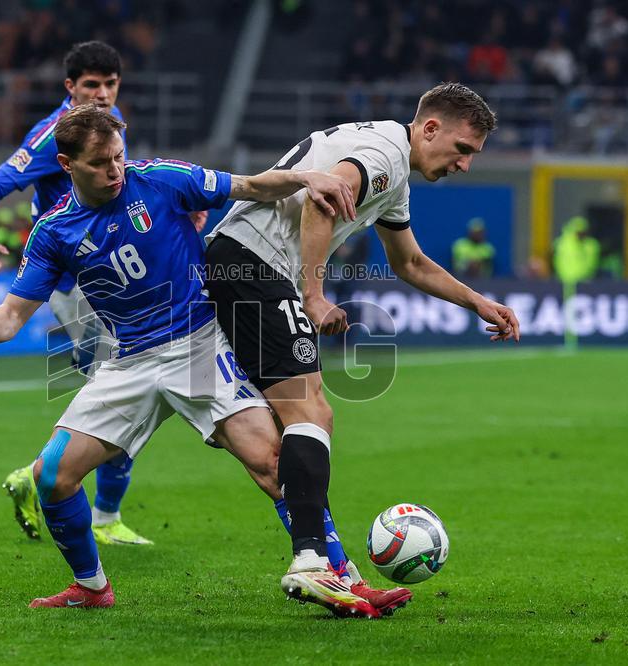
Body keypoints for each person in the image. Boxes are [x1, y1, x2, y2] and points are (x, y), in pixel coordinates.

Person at [0, 105, 408, 616]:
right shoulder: (54, 232)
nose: (115, 170)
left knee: (271, 462)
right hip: (128, 361)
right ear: (66, 165)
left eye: (119, 157)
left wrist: (307, 176)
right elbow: (12, 316)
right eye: (101, 163)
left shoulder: (162, 180)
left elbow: (252, 186)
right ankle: (91, 587)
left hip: (199, 346)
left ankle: (340, 576)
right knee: (52, 477)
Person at [204, 82, 520, 614]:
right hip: (255, 266)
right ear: (430, 128)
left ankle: (336, 572)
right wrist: (313, 294)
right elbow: (322, 198)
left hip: (236, 266)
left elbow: (410, 262)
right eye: (463, 150)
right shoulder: (384, 156)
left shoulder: (391, 169)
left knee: (268, 452)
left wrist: (478, 303)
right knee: (312, 412)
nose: (463, 165)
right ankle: (312, 564)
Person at [0, 41, 151, 546]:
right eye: (91, 85)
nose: (102, 94)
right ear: (70, 88)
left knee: (128, 393)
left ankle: (52, 483)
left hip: (111, 278)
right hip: (76, 285)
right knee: (130, 393)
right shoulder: (52, 136)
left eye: (110, 84)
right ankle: (96, 512)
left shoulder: (111, 128)